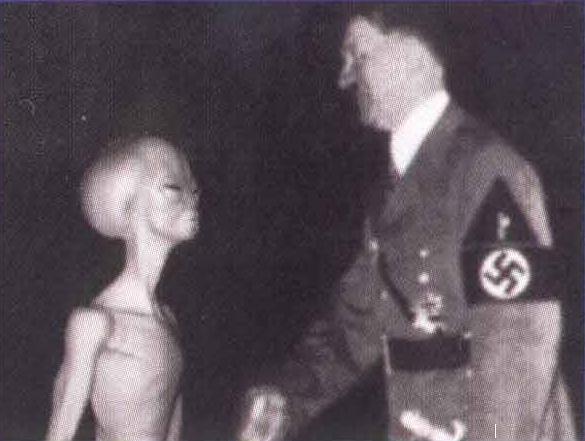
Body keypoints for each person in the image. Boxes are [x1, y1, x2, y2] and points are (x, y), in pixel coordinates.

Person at [238, 9, 576, 441]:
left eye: (358, 55)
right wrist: (287, 396)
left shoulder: (484, 167)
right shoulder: (399, 182)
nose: (344, 77)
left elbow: (518, 338)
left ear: (415, 53)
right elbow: (358, 321)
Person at [46, 136, 199, 441]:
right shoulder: (95, 322)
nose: (192, 200)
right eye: (173, 189)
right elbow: (60, 432)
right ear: (129, 207)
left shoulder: (168, 320)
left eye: (194, 190)